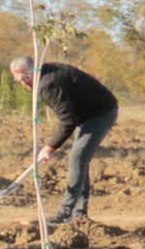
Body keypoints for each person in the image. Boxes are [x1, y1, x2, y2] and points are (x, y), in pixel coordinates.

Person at [9, 55, 118, 224]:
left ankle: (66, 212)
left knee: (77, 158)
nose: (23, 84)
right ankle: (79, 214)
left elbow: (68, 121)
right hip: (86, 114)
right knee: (80, 159)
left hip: (100, 113)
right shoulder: (45, 74)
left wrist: (50, 147)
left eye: (24, 79)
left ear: (32, 71)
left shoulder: (48, 84)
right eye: (18, 81)